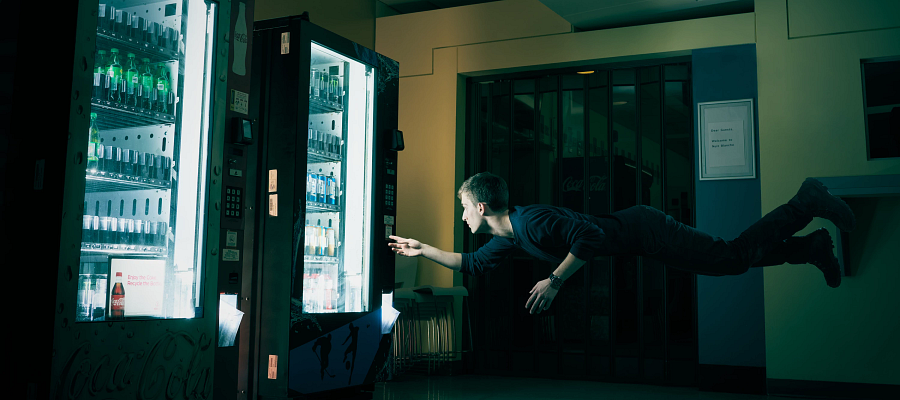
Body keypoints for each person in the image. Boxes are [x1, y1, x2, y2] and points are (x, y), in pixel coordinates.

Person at [389, 172, 855, 315]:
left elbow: (588, 236)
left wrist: (554, 280)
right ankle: (810, 247)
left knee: (732, 256)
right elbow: (470, 264)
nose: (463, 214)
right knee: (730, 262)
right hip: (642, 239)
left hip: (645, 230)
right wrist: (421, 249)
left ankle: (806, 204)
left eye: (464, 207)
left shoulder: (532, 223)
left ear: (484, 208)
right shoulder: (510, 236)